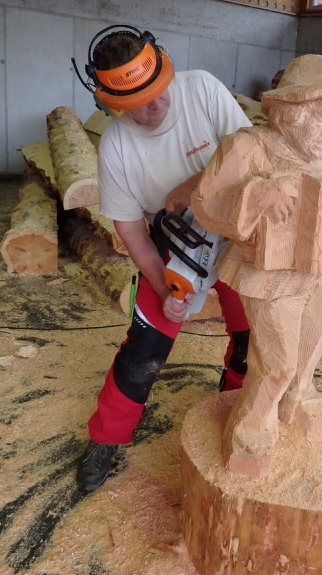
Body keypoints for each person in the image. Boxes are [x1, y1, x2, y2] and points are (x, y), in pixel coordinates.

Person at [191, 55, 322, 475]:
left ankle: (299, 396)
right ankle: (254, 420)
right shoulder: (247, 147)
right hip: (272, 275)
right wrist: (256, 195)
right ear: (292, 110)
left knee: (313, 345)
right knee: (277, 360)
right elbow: (206, 204)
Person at [73, 25, 251, 492]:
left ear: (165, 70)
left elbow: (250, 152)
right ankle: (107, 437)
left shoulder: (202, 90)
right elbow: (130, 228)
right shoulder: (116, 145)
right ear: (111, 102)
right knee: (144, 348)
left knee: (251, 335)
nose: (154, 107)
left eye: (157, 93)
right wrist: (164, 287)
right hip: (178, 240)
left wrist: (194, 186)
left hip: (235, 231)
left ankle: (237, 406)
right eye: (137, 103)